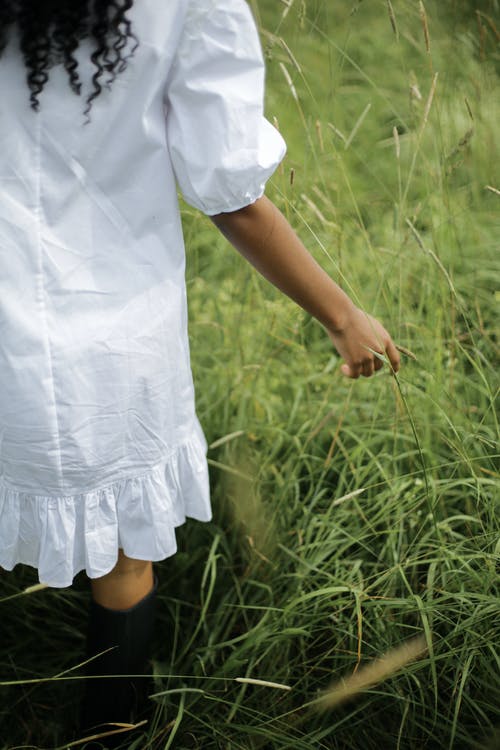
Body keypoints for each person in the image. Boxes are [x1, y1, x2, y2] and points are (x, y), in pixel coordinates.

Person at [0, 0, 400, 746]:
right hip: (109, 316)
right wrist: (342, 316)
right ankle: (111, 733)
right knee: (121, 556)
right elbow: (232, 194)